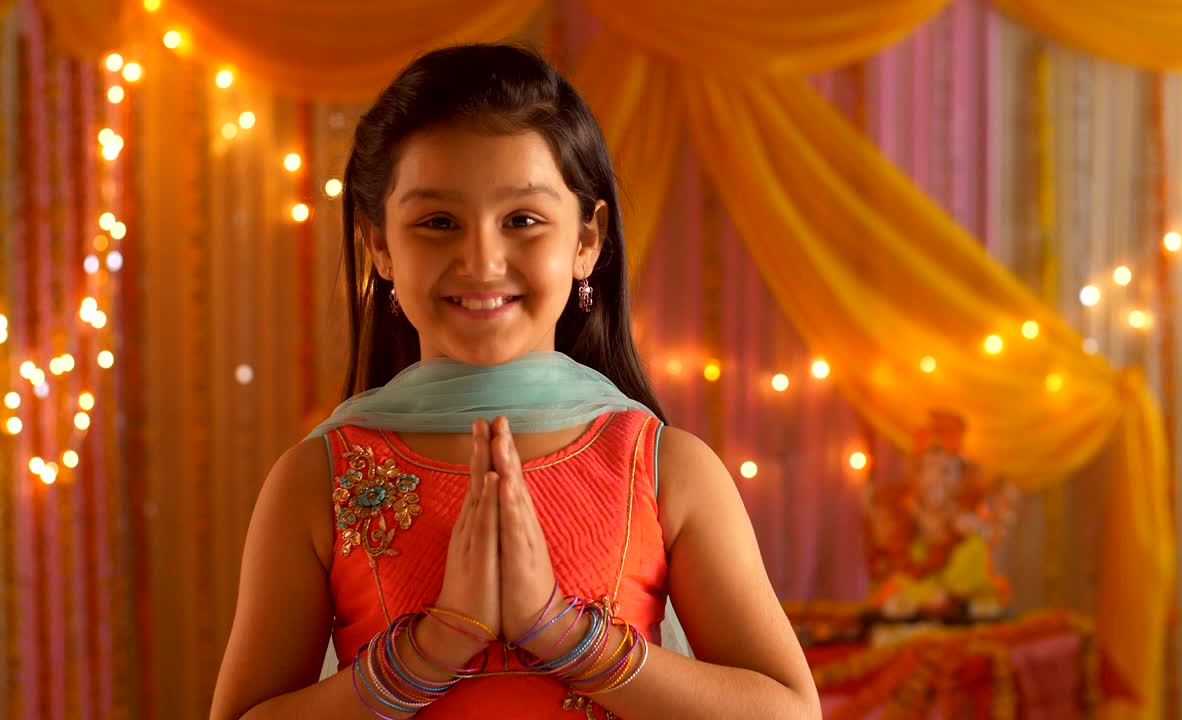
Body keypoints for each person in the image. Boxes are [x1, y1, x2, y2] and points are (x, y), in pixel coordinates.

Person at [209, 43, 820, 720]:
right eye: (438, 222)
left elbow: (790, 713)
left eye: (522, 220)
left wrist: (559, 631)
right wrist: (434, 648)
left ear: (587, 240)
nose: (481, 259)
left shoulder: (661, 468)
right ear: (379, 245)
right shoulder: (318, 479)